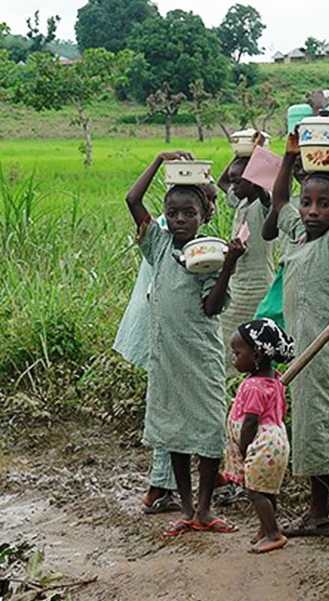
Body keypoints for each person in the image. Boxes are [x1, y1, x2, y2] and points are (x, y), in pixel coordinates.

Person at [126, 150, 246, 537]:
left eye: (188, 213)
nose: (179, 220)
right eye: (173, 212)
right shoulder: (158, 245)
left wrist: (228, 264)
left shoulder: (208, 254)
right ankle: (188, 507)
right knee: (174, 432)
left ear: (204, 216)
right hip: (167, 358)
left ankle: (205, 509)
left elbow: (212, 308)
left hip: (200, 356)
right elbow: (132, 199)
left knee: (209, 432)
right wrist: (160, 161)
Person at [260, 123, 329, 537]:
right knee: (309, 424)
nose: (313, 211)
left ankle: (321, 513)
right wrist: (289, 154)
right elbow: (280, 199)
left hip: (326, 350)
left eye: (325, 204)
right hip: (300, 347)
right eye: (310, 203)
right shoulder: (298, 235)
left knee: (321, 426)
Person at [222, 318, 294, 554]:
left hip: (261, 443)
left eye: (237, 353)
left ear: (257, 356)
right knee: (266, 488)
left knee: (255, 491)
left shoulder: (252, 386)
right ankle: (266, 528)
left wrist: (244, 447)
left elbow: (251, 420)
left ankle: (274, 534)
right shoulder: (275, 380)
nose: (234, 358)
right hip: (277, 440)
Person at [217, 148, 277, 353]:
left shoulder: (263, 205)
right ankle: (233, 381)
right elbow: (222, 182)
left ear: (252, 180)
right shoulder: (241, 202)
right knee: (229, 339)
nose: (232, 186)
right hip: (237, 284)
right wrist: (240, 152)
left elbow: (264, 191)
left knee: (255, 342)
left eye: (238, 181)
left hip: (258, 285)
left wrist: (258, 157)